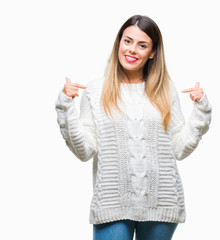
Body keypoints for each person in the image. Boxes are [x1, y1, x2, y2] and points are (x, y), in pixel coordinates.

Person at [55, 15, 212, 240]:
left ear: (153, 52)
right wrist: (65, 108)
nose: (132, 50)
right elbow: (84, 151)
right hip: (112, 203)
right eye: (127, 41)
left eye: (142, 45)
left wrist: (201, 112)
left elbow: (179, 148)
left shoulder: (165, 89)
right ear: (119, 42)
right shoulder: (95, 90)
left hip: (161, 202)